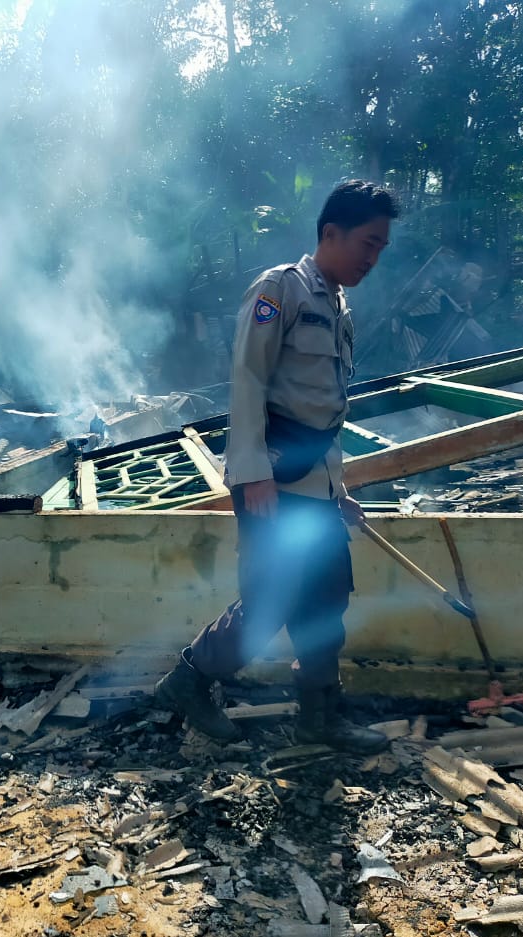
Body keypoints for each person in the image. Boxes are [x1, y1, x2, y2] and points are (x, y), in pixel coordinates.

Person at [153, 179, 399, 752]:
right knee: (270, 601)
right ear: (329, 233)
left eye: (382, 247)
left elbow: (324, 413)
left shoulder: (339, 309)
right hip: (271, 481)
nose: (373, 257)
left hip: (314, 486)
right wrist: (253, 472)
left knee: (326, 599)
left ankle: (321, 717)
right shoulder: (279, 290)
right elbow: (249, 380)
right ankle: (189, 682)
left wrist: (338, 490)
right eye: (367, 242)